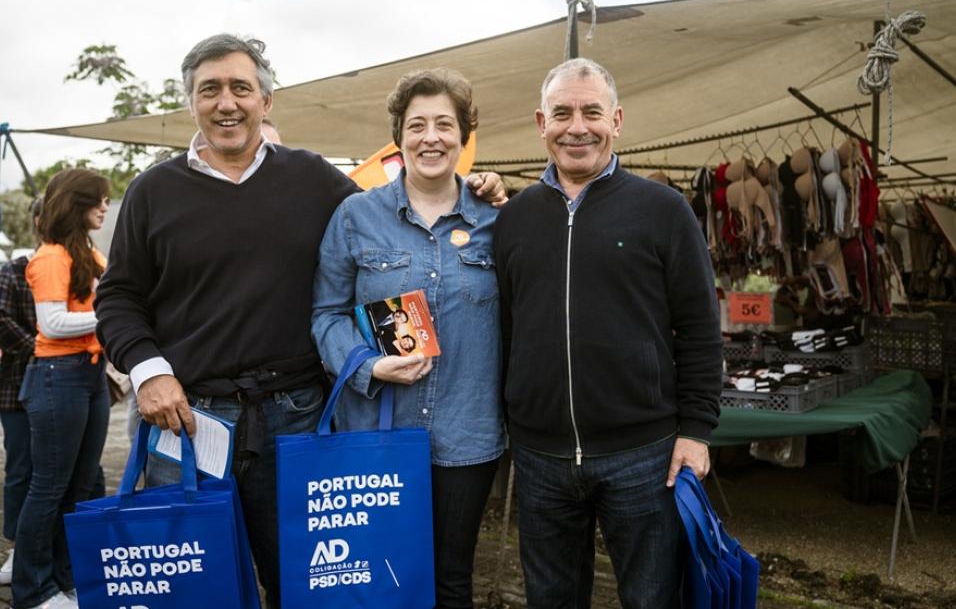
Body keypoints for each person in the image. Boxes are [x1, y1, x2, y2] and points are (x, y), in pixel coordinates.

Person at [94, 35, 505, 609]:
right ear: (190, 102)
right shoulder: (152, 190)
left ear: (267, 100)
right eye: (209, 89)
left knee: (308, 582)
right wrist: (148, 370)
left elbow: (398, 210)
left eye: (241, 87)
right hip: (188, 416)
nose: (226, 102)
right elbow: (117, 297)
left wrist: (480, 187)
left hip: (294, 415)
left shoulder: (313, 180)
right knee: (192, 586)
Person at [493, 58, 723, 609]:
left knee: (651, 598)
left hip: (642, 455)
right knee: (551, 598)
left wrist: (696, 429)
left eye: (591, 112)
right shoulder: (513, 219)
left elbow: (699, 327)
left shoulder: (664, 210)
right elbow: (506, 327)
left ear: (616, 120)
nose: (577, 127)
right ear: (540, 122)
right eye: (562, 113)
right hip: (541, 457)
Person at [312, 67, 505, 609]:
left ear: (464, 137)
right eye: (416, 125)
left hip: (466, 436)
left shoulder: (497, 218)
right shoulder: (355, 216)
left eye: (445, 124)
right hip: (377, 427)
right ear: (398, 136)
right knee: (376, 577)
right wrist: (366, 365)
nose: (431, 137)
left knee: (450, 582)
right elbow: (325, 314)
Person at [14, 170, 111, 609]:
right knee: (50, 486)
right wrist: (109, 319)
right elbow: (51, 322)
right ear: (78, 204)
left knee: (81, 484)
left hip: (89, 375)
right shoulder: (52, 257)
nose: (105, 208)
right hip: (58, 375)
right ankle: (33, 591)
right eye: (99, 201)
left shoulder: (89, 253)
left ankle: (64, 579)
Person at [0, 196, 43, 587]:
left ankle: (59, 548)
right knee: (21, 470)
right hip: (16, 388)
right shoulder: (14, 272)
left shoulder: (87, 266)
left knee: (70, 472)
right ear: (36, 221)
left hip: (73, 387)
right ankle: (17, 548)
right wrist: (44, 348)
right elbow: (1, 320)